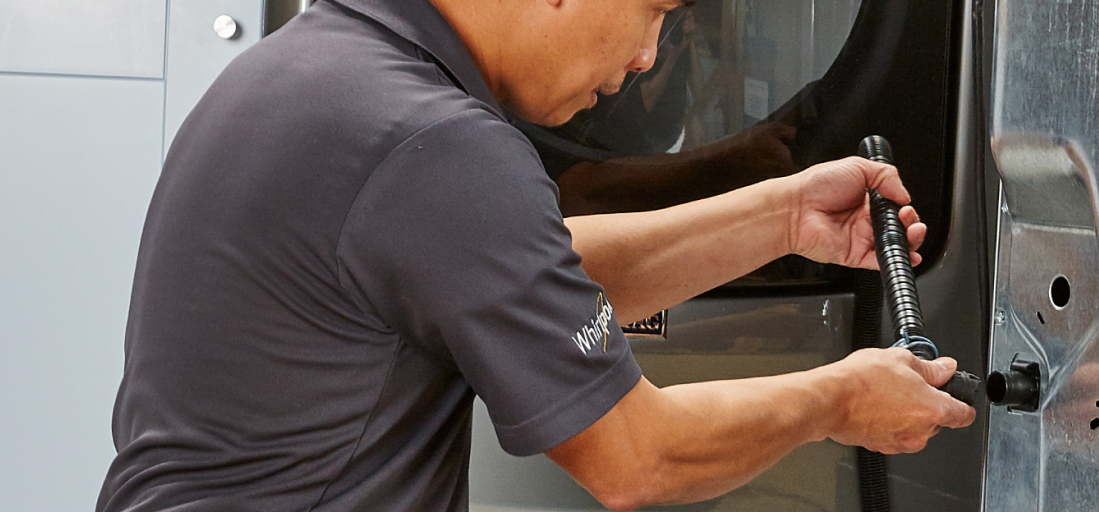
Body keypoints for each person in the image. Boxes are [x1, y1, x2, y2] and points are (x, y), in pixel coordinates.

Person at [96, 0, 975, 510]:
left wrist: (780, 216)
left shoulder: (326, 68)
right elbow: (642, 457)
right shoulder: (435, 143)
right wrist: (841, 398)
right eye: (653, 11)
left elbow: (521, 271)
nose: (644, 57)